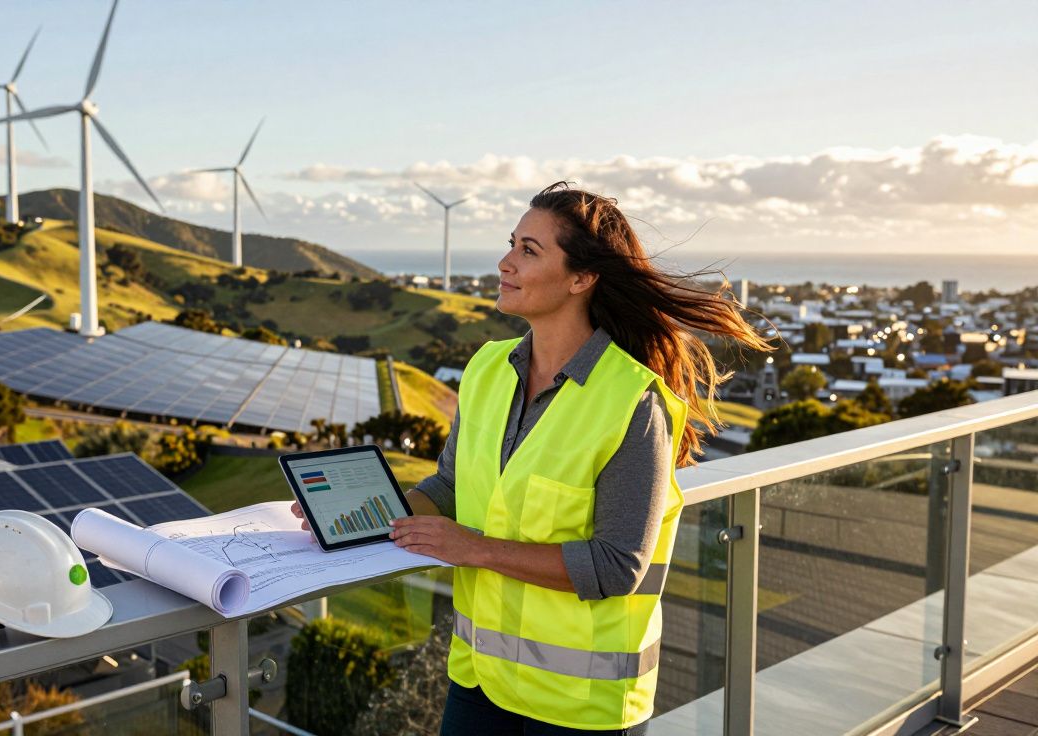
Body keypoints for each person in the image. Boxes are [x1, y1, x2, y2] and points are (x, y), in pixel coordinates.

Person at [292, 181, 773, 734]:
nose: (505, 262)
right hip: (478, 680)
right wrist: (369, 512)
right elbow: (449, 488)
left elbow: (618, 565)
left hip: (579, 705)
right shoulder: (487, 370)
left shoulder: (634, 403)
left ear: (582, 278)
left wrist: (473, 549)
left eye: (529, 250)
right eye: (511, 244)